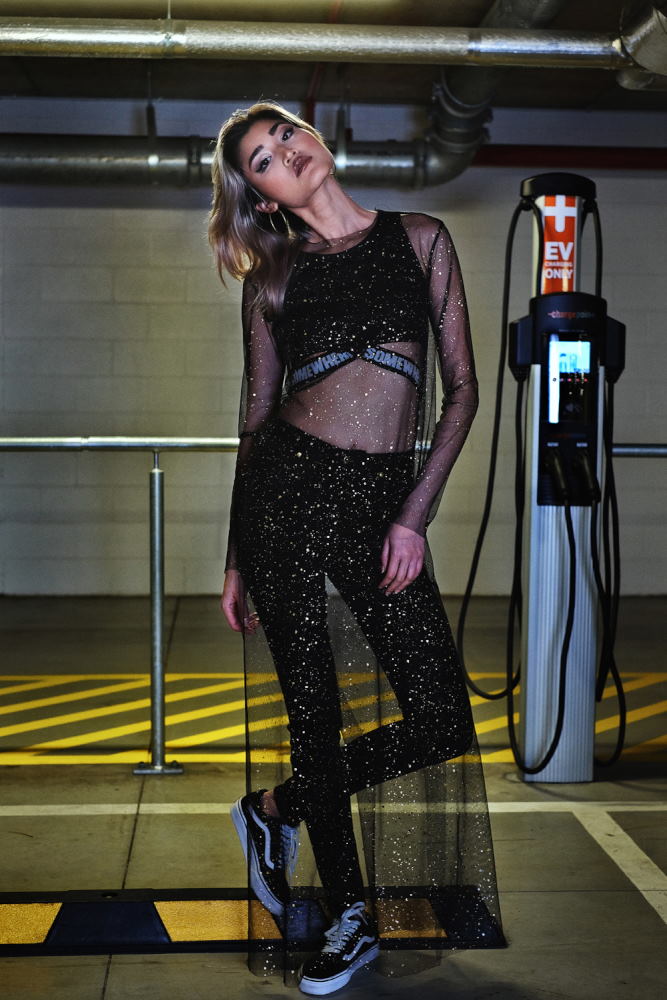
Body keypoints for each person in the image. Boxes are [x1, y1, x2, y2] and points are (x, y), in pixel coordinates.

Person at [208, 101, 501, 996]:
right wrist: (233, 556)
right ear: (257, 194)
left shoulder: (419, 238)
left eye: (285, 134)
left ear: (316, 139)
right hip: (285, 502)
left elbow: (462, 395)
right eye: (261, 159)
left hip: (381, 510)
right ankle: (347, 918)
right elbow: (256, 418)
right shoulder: (274, 277)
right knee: (316, 723)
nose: (284, 153)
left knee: (441, 717)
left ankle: (275, 812)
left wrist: (411, 517)